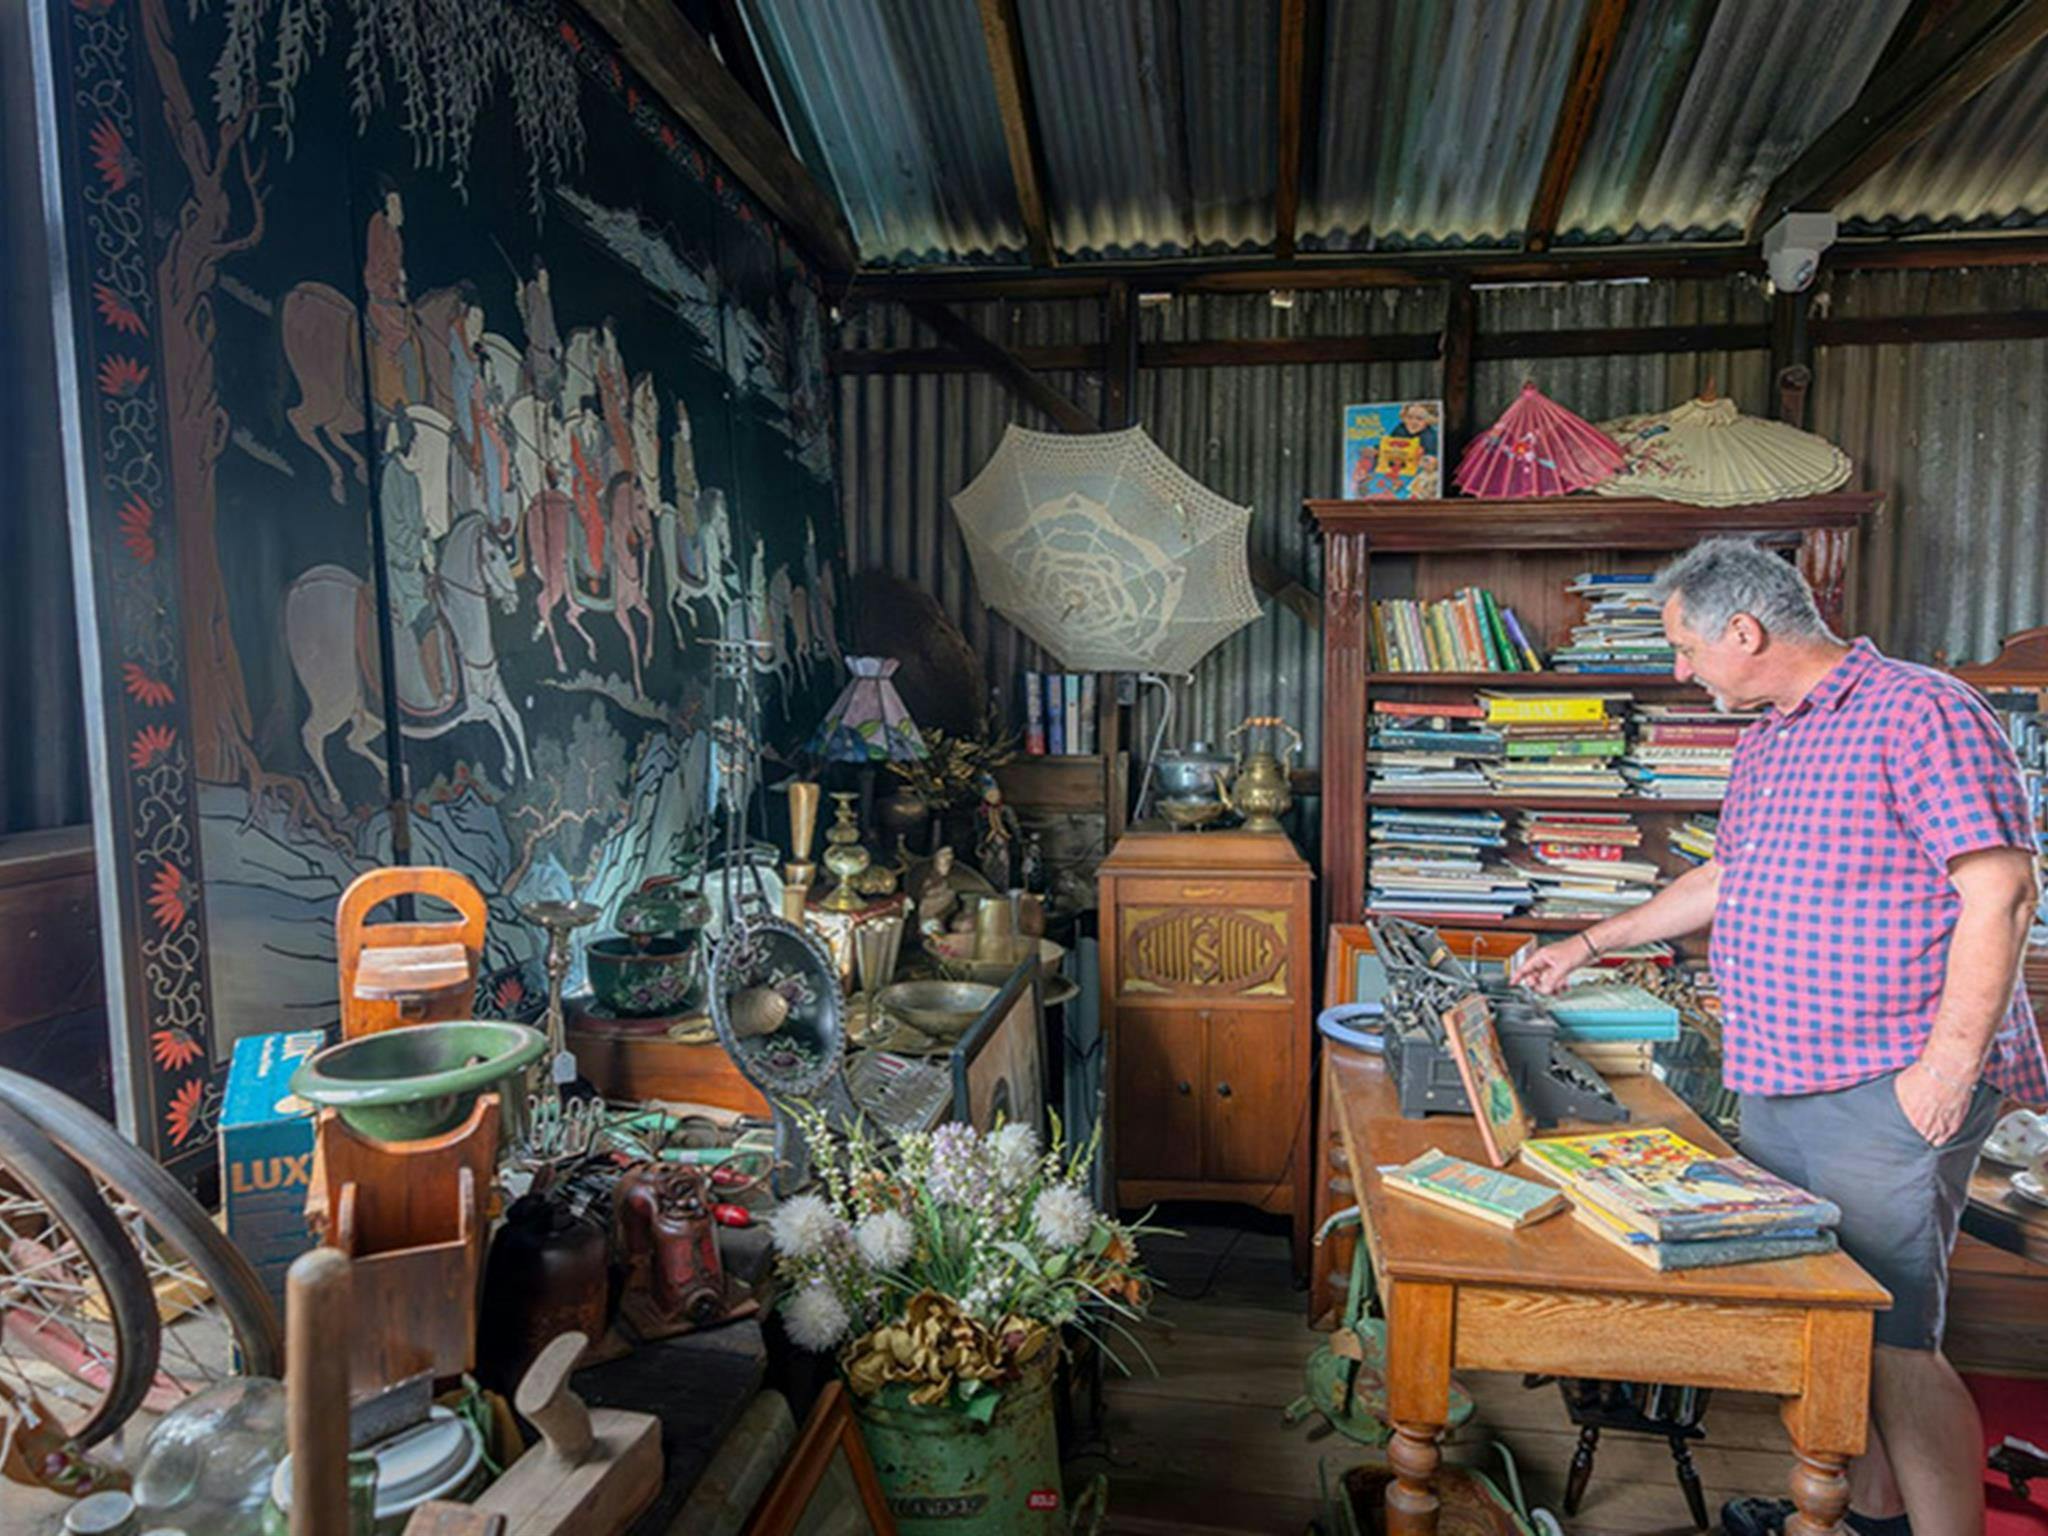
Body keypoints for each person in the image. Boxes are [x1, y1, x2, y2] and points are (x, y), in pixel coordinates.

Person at [1515, 537, 2047, 1536]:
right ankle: (1873, 1518)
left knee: (1893, 1341)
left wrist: (1942, 1070)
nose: (1679, 671)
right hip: (1782, 1075)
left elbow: (2001, 890)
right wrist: (1586, 940)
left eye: (1682, 648)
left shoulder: (1920, 710)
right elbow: (1721, 881)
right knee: (1828, 1329)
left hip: (1886, 1079)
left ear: (1743, 632)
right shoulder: (1768, 736)